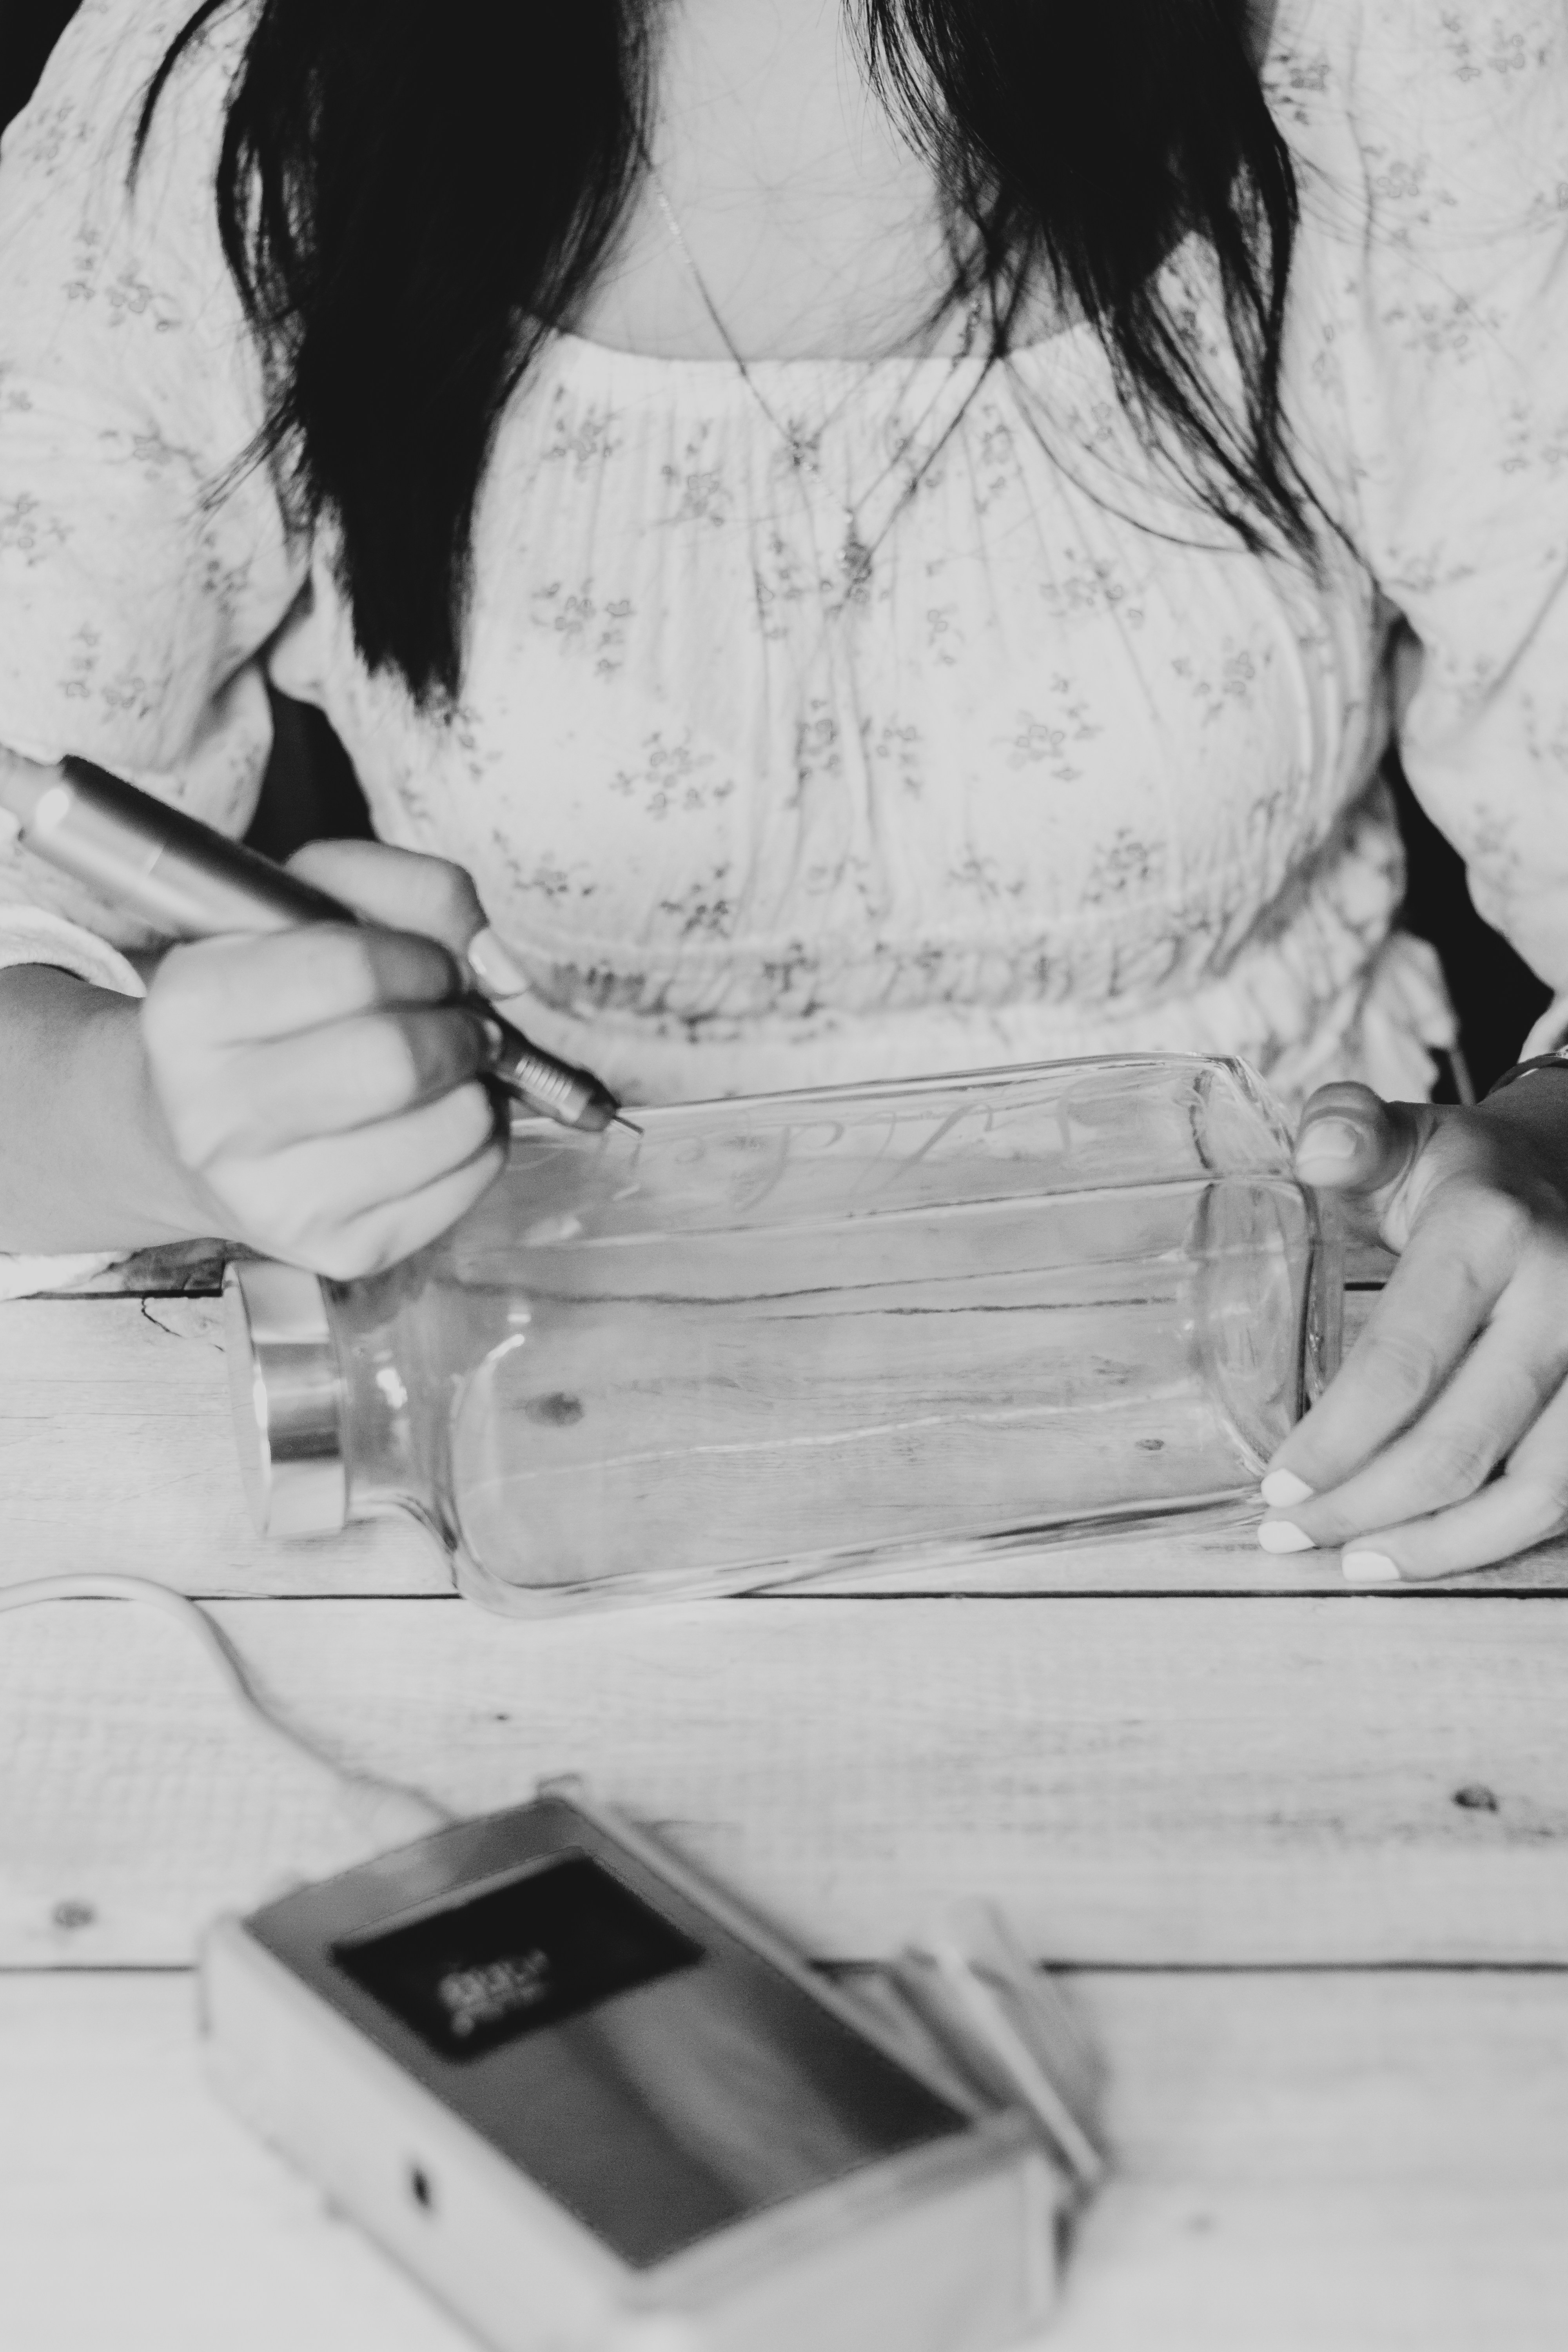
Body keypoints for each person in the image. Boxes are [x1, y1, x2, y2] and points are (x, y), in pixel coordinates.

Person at [2, 0, 1568, 1584]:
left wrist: (1558, 1142)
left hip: (1323, 1417)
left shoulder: (1408, 56)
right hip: (550, 1442)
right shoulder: (223, 93)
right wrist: (155, 1116)